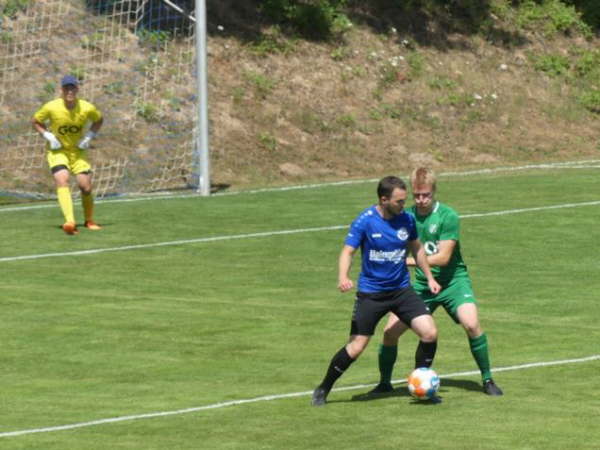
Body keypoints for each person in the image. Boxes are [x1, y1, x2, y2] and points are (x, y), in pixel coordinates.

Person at [370, 167, 503, 396]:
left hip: (453, 282)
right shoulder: (406, 217)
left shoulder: (447, 216)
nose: (421, 200)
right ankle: (384, 383)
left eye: (426, 195)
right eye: (417, 195)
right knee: (390, 331)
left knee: (471, 324)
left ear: (434, 192)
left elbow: (443, 258)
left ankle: (487, 379)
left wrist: (406, 261)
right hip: (422, 285)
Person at [311, 175, 441, 406]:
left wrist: (429, 277)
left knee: (429, 332)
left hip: (401, 291)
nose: (404, 205)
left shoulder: (407, 220)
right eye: (399, 201)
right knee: (357, 346)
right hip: (371, 294)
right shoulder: (365, 221)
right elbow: (347, 252)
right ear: (384, 200)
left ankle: (421, 381)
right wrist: (343, 277)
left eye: (404, 200)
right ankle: (323, 388)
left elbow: (418, 250)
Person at [32, 74, 103, 235]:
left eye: (72, 87)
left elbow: (99, 120)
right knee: (62, 179)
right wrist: (48, 135)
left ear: (77, 89)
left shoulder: (87, 107)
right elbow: (36, 121)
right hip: (58, 151)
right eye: (66, 88)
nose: (69, 91)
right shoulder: (51, 107)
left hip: (77, 152)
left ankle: (89, 220)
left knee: (85, 186)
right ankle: (70, 222)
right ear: (61, 90)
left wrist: (89, 137)